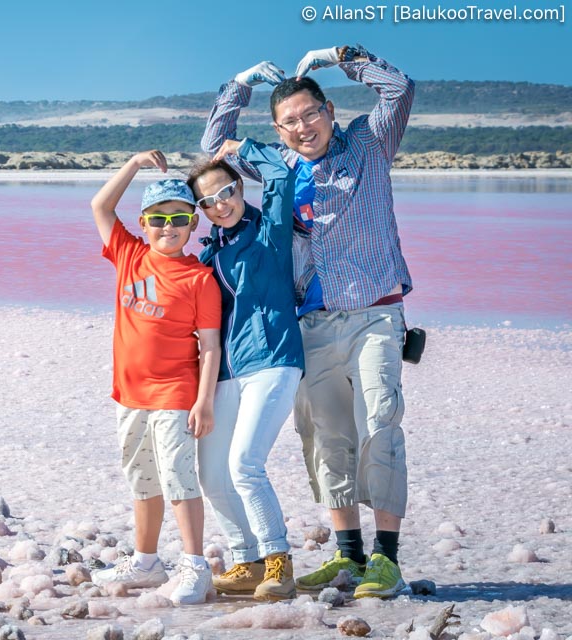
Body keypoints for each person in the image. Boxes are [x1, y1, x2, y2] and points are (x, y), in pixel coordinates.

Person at [201, 45, 415, 599]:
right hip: (310, 323)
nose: (302, 127)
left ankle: (386, 562)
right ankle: (348, 559)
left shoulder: (369, 143)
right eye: (289, 121)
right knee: (324, 438)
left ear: (330, 111)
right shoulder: (282, 166)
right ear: (278, 128)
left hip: (374, 312)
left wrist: (344, 57)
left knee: (381, 425)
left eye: (310, 114)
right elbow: (211, 150)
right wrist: (239, 82)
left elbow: (399, 89)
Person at [88, 149, 222, 605]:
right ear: (143, 224)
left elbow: (210, 346)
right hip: (130, 396)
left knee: (178, 479)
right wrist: (132, 165)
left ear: (193, 224)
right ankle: (146, 562)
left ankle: (195, 566)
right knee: (141, 479)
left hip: (175, 395)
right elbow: (100, 207)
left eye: (179, 218)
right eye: (158, 219)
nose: (169, 228)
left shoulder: (199, 279)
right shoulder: (128, 254)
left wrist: (203, 402)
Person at [188, 138, 304, 601]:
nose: (220, 205)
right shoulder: (209, 255)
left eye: (226, 193)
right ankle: (247, 561)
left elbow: (279, 175)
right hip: (225, 374)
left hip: (274, 360)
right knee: (212, 475)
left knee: (245, 465)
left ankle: (279, 562)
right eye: (208, 202)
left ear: (239, 188)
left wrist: (244, 147)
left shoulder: (269, 232)